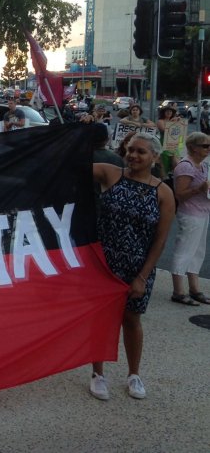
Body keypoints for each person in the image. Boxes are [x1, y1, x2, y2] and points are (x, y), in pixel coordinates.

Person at [90, 132, 175, 401]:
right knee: (101, 320)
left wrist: (142, 276)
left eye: (141, 152)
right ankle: (97, 373)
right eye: (130, 150)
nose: (133, 155)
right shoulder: (110, 173)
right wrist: (74, 135)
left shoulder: (163, 192)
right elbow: (68, 166)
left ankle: (134, 374)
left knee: (132, 320)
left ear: (154, 157)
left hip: (138, 267)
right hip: (104, 263)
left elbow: (160, 241)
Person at [169, 132, 210, 306]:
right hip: (190, 213)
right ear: (193, 147)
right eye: (205, 146)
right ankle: (178, 290)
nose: (208, 149)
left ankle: (194, 288)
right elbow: (180, 195)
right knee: (184, 249)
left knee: (198, 251)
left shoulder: (204, 166)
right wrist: (198, 190)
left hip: (203, 212)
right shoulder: (185, 166)